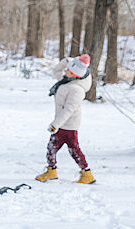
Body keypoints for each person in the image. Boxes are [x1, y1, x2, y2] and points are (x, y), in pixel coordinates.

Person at [35, 54, 96, 184]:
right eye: (67, 69)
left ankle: (87, 174)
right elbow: (56, 70)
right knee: (51, 148)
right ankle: (51, 171)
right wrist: (67, 61)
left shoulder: (77, 90)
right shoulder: (65, 80)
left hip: (68, 126)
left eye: (69, 70)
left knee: (74, 150)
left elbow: (68, 110)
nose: (65, 71)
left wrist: (55, 124)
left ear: (76, 75)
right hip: (59, 125)